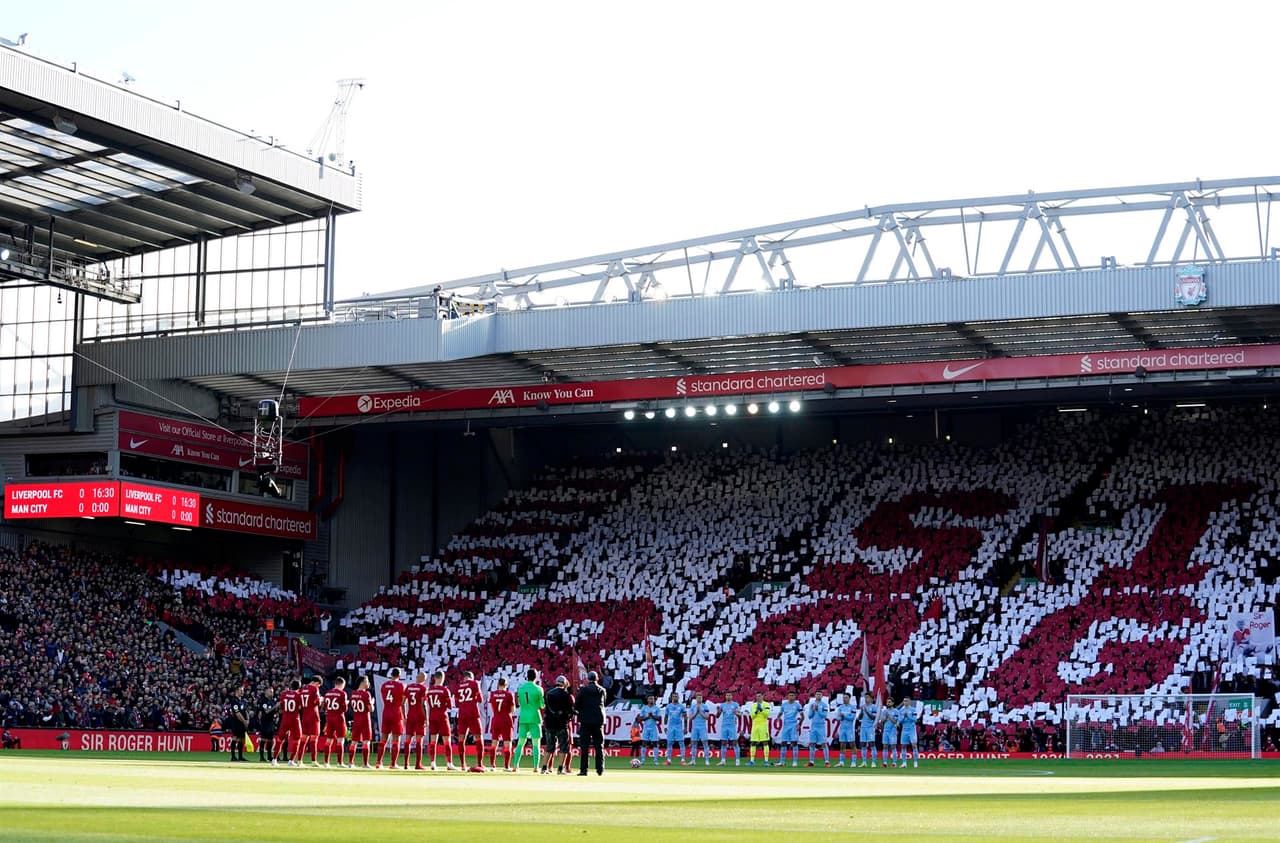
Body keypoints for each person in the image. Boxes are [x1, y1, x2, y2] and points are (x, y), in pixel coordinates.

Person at [575, 670, 606, 776]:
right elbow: (603, 703)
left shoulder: (583, 690)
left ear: (588, 679)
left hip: (586, 720)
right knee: (599, 746)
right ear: (597, 678)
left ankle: (584, 770)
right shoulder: (602, 690)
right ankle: (600, 769)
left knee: (584, 746)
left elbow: (577, 704)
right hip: (598, 720)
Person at [541, 675, 574, 775]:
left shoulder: (547, 692)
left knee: (549, 746)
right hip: (561, 723)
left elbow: (544, 706)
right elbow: (570, 710)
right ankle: (560, 769)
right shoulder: (566, 694)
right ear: (564, 684)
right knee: (563, 746)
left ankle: (544, 768)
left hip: (549, 723)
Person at [513, 668, 544, 772]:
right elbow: (542, 705)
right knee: (536, 743)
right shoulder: (538, 689)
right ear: (536, 677)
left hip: (523, 717)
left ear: (527, 676)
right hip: (535, 717)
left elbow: (520, 703)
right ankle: (536, 767)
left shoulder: (521, 688)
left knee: (520, 742)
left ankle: (515, 766)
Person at [375, 667, 406, 769]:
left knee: (383, 739)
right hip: (396, 713)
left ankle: (378, 762)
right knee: (396, 739)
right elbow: (402, 702)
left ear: (391, 674)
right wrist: (404, 716)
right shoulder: (401, 685)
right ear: (399, 675)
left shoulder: (384, 685)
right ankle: (393, 764)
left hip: (386, 712)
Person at [454, 670, 486, 770]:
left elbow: (456, 704)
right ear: (471, 677)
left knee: (461, 739)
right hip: (473, 713)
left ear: (464, 677)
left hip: (462, 714)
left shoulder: (458, 686)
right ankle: (480, 764)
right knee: (479, 737)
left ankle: (463, 764)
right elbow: (480, 699)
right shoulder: (474, 683)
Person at [426, 670, 457, 770]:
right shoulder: (444, 690)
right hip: (442, 717)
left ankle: (432, 763)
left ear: (434, 678)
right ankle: (449, 763)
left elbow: (427, 704)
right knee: (447, 741)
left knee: (433, 741)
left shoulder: (429, 690)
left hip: (432, 716)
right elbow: (450, 706)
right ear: (442, 678)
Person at [347, 676, 375, 768]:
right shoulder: (366, 694)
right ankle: (365, 764)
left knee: (353, 742)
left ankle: (350, 763)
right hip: (365, 719)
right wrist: (372, 703)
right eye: (367, 681)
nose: (368, 683)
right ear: (362, 682)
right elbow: (370, 709)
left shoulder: (353, 693)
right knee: (366, 741)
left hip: (356, 719)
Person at [488, 677, 516, 771]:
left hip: (496, 719)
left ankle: (492, 766)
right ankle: (506, 766)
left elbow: (492, 707)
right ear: (506, 685)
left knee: (494, 743)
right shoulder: (509, 695)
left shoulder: (492, 694)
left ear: (498, 684)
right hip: (506, 720)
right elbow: (513, 710)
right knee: (507, 743)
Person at [294, 676, 323, 767]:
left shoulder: (302, 689)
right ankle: (314, 761)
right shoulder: (314, 689)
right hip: (313, 716)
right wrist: (321, 700)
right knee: (314, 739)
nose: (318, 687)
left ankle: (299, 761)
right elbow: (317, 702)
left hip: (304, 716)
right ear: (316, 683)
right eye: (318, 685)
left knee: (303, 739)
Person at [403, 672, 429, 770]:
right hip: (419, 716)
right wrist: (426, 718)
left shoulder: (408, 688)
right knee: (419, 741)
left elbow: (402, 703)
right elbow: (423, 704)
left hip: (410, 715)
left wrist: (404, 716)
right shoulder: (423, 689)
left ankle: (406, 764)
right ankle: (418, 764)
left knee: (407, 740)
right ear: (423, 679)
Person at [321, 675, 348, 768]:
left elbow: (324, 708)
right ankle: (339, 763)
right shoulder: (342, 693)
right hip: (339, 718)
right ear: (342, 684)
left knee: (329, 740)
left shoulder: (327, 693)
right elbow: (345, 709)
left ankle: (326, 762)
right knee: (340, 740)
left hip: (329, 718)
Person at [274, 679, 301, 767]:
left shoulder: (284, 694)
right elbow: (301, 707)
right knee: (297, 739)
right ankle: (291, 760)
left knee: (279, 739)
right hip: (295, 719)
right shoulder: (299, 695)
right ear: (299, 687)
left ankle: (274, 760)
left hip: (285, 719)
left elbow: (281, 706)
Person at [686, 692, 713, 766]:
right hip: (695, 727)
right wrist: (696, 712)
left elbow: (707, 717)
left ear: (702, 698)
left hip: (702, 727)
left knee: (705, 743)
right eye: (698, 697)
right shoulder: (693, 707)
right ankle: (693, 760)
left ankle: (707, 760)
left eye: (700, 697)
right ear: (696, 698)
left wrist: (700, 712)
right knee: (693, 743)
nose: (699, 698)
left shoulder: (705, 707)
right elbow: (690, 718)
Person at [806, 690, 831, 767]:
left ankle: (827, 762)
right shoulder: (812, 705)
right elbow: (809, 716)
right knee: (812, 743)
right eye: (817, 694)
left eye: (820, 694)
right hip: (813, 726)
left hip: (821, 726)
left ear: (822, 696)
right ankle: (811, 761)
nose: (818, 696)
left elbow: (824, 715)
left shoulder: (824, 705)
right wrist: (813, 711)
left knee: (824, 743)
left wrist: (817, 710)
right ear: (815, 695)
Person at [778, 691, 803, 767]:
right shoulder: (784, 705)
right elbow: (781, 712)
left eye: (792, 695)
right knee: (783, 743)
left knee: (794, 743)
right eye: (790, 695)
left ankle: (795, 761)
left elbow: (803, 716)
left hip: (793, 725)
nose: (791, 696)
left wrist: (799, 724)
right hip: (785, 725)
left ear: (795, 696)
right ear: (787, 696)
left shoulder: (797, 705)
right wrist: (778, 717)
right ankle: (782, 761)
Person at [716, 690, 740, 766]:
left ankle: (737, 760)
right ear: (725, 696)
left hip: (732, 726)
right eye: (727, 695)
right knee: (723, 743)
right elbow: (717, 716)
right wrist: (718, 711)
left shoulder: (735, 705)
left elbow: (740, 715)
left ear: (732, 696)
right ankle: (723, 761)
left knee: (734, 742)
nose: (728, 696)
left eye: (729, 695)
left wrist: (735, 712)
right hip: (724, 726)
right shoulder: (722, 705)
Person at [255, 686, 278, 763]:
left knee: (270, 740)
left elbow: (274, 711)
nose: (272, 692)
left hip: (271, 722)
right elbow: (267, 711)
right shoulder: (263, 701)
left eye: (272, 691)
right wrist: (275, 706)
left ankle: (269, 756)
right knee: (263, 740)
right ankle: (261, 757)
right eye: (270, 691)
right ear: (266, 692)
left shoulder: (272, 701)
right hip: (265, 722)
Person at [226, 686, 249, 763]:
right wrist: (244, 721)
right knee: (235, 738)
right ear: (236, 691)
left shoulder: (242, 700)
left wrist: (247, 720)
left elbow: (245, 711)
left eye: (243, 690)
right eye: (241, 690)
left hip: (242, 722)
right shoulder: (234, 701)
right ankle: (233, 756)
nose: (242, 692)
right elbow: (237, 713)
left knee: (242, 739)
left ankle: (240, 756)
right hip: (236, 722)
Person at [662, 693, 686, 765]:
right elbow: (666, 717)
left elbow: (685, 717)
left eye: (676, 696)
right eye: (673, 696)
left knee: (681, 743)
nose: (675, 697)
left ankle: (683, 760)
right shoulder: (668, 706)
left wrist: (685, 727)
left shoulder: (681, 706)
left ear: (678, 697)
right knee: (669, 743)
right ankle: (669, 760)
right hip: (670, 726)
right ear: (671, 697)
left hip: (679, 726)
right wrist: (665, 727)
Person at [748, 692, 771, 767]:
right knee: (753, 742)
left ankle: (766, 761)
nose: (758, 697)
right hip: (755, 726)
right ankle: (752, 761)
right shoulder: (754, 705)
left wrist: (761, 710)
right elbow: (752, 716)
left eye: (760, 696)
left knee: (765, 742)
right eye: (757, 696)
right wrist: (756, 711)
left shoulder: (766, 704)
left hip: (763, 726)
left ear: (762, 697)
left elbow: (767, 715)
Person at [835, 692, 858, 767]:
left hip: (849, 729)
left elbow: (852, 718)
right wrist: (841, 717)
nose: (844, 699)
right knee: (842, 745)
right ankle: (841, 762)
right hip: (842, 728)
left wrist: (844, 715)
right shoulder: (840, 707)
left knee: (852, 745)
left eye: (846, 697)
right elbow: (838, 718)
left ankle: (853, 762)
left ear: (849, 698)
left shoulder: (853, 707)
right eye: (843, 698)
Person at [638, 695, 661, 765]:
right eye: (650, 699)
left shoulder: (657, 708)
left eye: (653, 699)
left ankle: (656, 760)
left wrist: (652, 716)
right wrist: (648, 716)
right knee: (644, 743)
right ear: (647, 700)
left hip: (653, 727)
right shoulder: (644, 708)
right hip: (646, 728)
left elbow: (659, 719)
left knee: (655, 743)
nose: (651, 700)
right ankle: (642, 760)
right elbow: (640, 719)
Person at [858, 693, 879, 767]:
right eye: (865, 697)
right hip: (863, 727)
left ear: (871, 698)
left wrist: (866, 711)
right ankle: (864, 762)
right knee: (863, 744)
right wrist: (861, 711)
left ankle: (873, 762)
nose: (866, 699)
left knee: (872, 743)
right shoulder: (863, 707)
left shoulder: (874, 707)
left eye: (867, 697)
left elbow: (873, 717)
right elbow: (859, 718)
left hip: (870, 727)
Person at [899, 693, 919, 769]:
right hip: (904, 730)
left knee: (914, 745)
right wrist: (904, 717)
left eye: (907, 701)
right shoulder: (901, 710)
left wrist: (908, 716)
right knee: (903, 746)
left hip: (912, 730)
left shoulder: (913, 710)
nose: (905, 702)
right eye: (904, 701)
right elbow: (900, 721)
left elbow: (915, 719)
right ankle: (904, 763)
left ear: (909, 702)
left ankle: (915, 763)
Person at [882, 697, 900, 768]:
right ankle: (884, 762)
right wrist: (885, 718)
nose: (888, 703)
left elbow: (895, 721)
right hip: (886, 731)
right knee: (885, 746)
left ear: (893, 703)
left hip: (892, 731)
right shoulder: (884, 711)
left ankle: (894, 763)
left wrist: (889, 716)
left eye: (889, 702)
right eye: (887, 702)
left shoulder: (896, 711)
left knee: (893, 746)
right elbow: (882, 721)